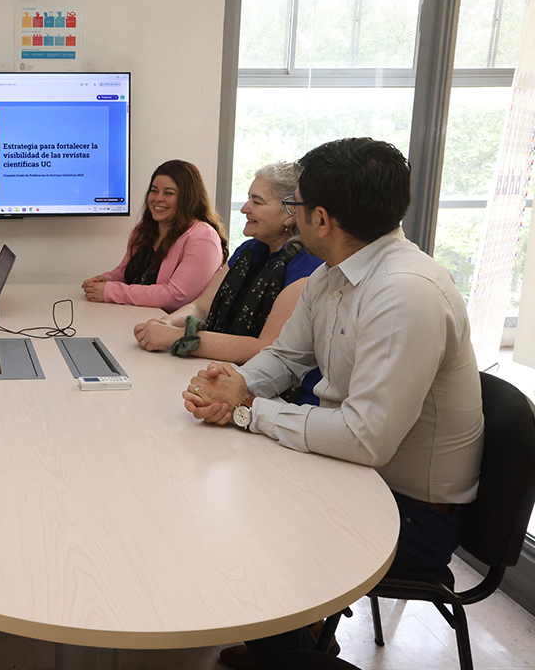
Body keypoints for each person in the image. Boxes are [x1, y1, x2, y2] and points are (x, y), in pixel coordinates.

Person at [183, 138, 484, 670]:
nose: (290, 215)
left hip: (407, 513)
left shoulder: (405, 293)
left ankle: (291, 652)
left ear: (320, 218)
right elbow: (285, 357)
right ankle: (283, 643)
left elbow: (364, 438)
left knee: (250, 525)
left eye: (294, 205)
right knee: (222, 492)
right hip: (356, 475)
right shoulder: (333, 272)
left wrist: (249, 409)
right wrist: (230, 385)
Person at [133, 162, 323, 377]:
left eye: (257, 202)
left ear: (291, 212)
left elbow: (266, 347)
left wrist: (176, 337)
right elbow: (201, 307)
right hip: (221, 370)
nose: (244, 208)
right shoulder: (248, 250)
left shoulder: (306, 266)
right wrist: (164, 323)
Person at [82, 160, 228, 311]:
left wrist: (110, 291)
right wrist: (106, 280)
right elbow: (126, 272)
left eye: (169, 193)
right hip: (135, 317)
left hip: (173, 328)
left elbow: (175, 297)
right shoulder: (143, 230)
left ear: (188, 198)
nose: (158, 198)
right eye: (154, 190)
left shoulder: (203, 237)